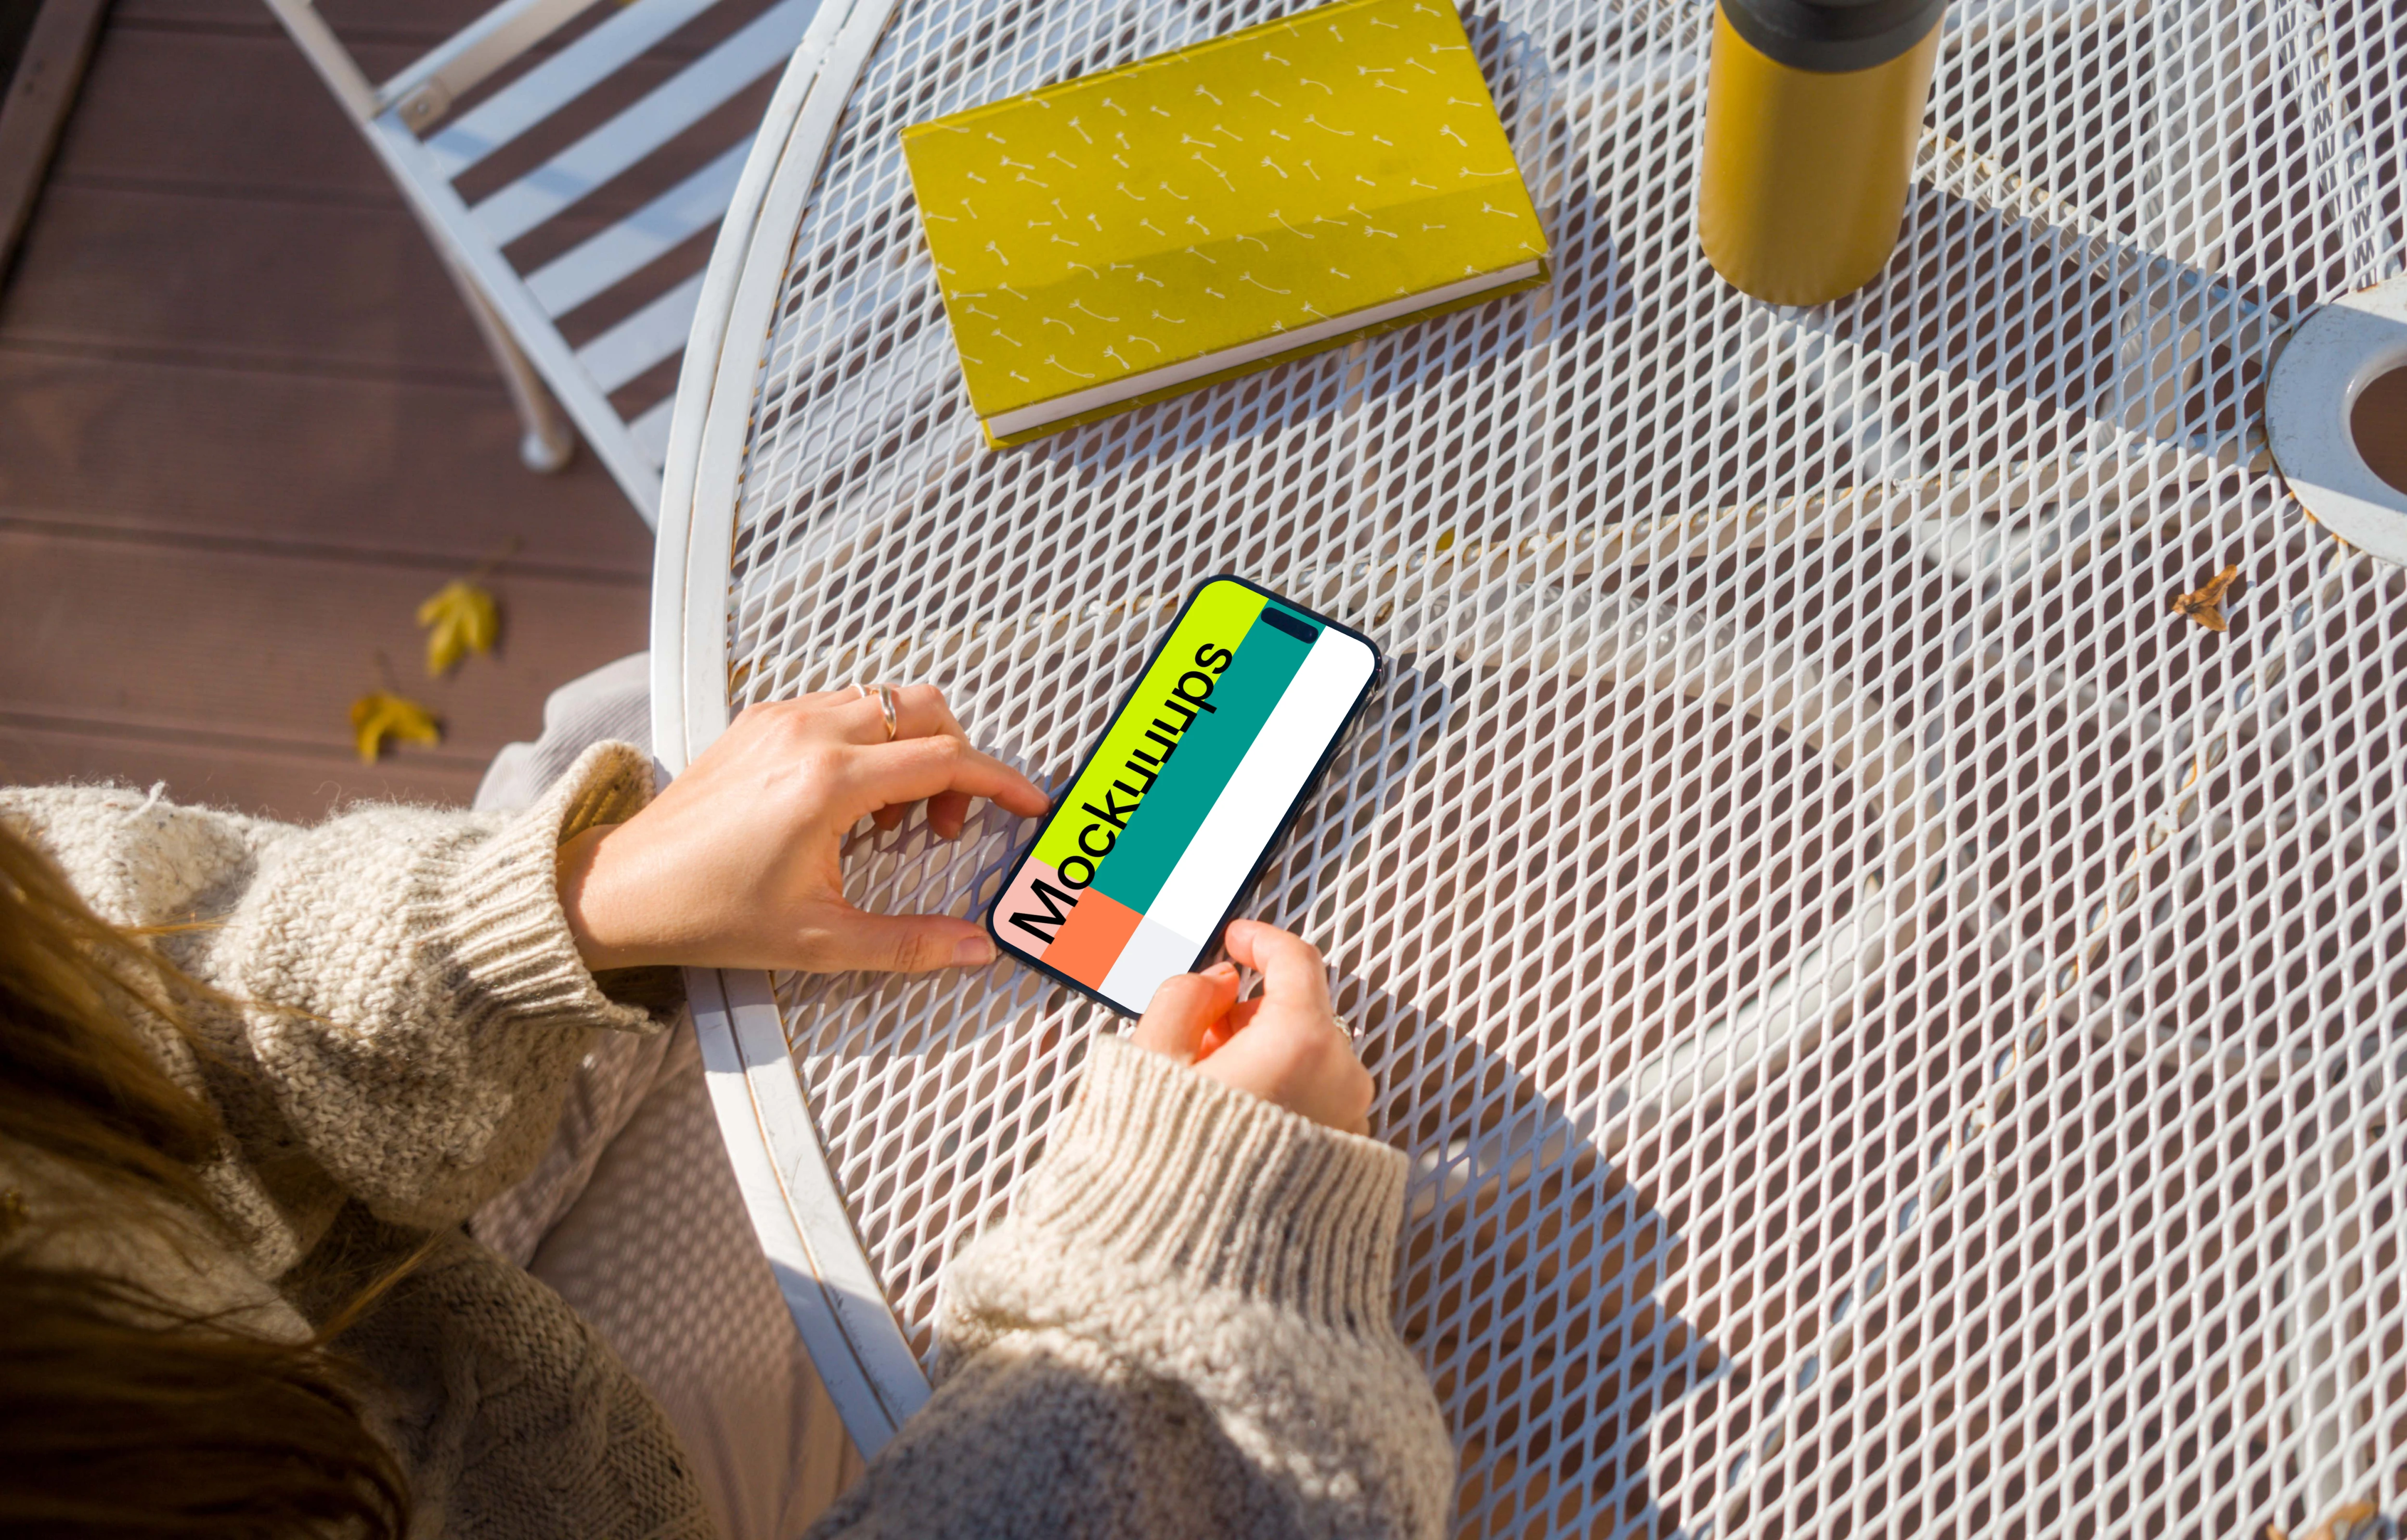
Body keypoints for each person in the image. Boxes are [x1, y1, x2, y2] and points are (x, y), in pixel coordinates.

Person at [0, 682, 1455, 1539]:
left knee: (678, 708)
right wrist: (1205, 1256)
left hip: (403, 1312)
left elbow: (107, 963)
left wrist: (546, 912)